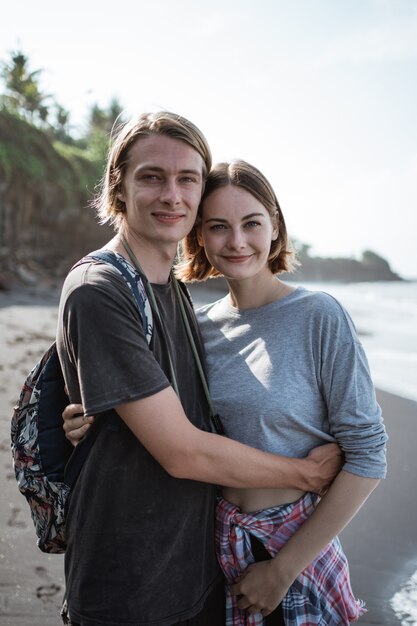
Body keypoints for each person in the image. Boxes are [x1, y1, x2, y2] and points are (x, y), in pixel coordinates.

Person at [56, 111, 342, 626]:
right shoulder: (100, 290)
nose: (172, 195)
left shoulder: (177, 296)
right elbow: (182, 451)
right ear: (118, 188)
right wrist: (306, 474)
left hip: (200, 570)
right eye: (152, 177)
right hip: (128, 587)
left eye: (187, 178)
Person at [176, 159, 388, 624]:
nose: (236, 241)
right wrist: (86, 418)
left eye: (251, 223)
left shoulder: (319, 315)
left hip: (296, 551)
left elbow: (369, 455)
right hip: (212, 550)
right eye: (218, 227)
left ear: (274, 226)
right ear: (199, 237)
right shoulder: (193, 328)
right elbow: (170, 427)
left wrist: (283, 570)